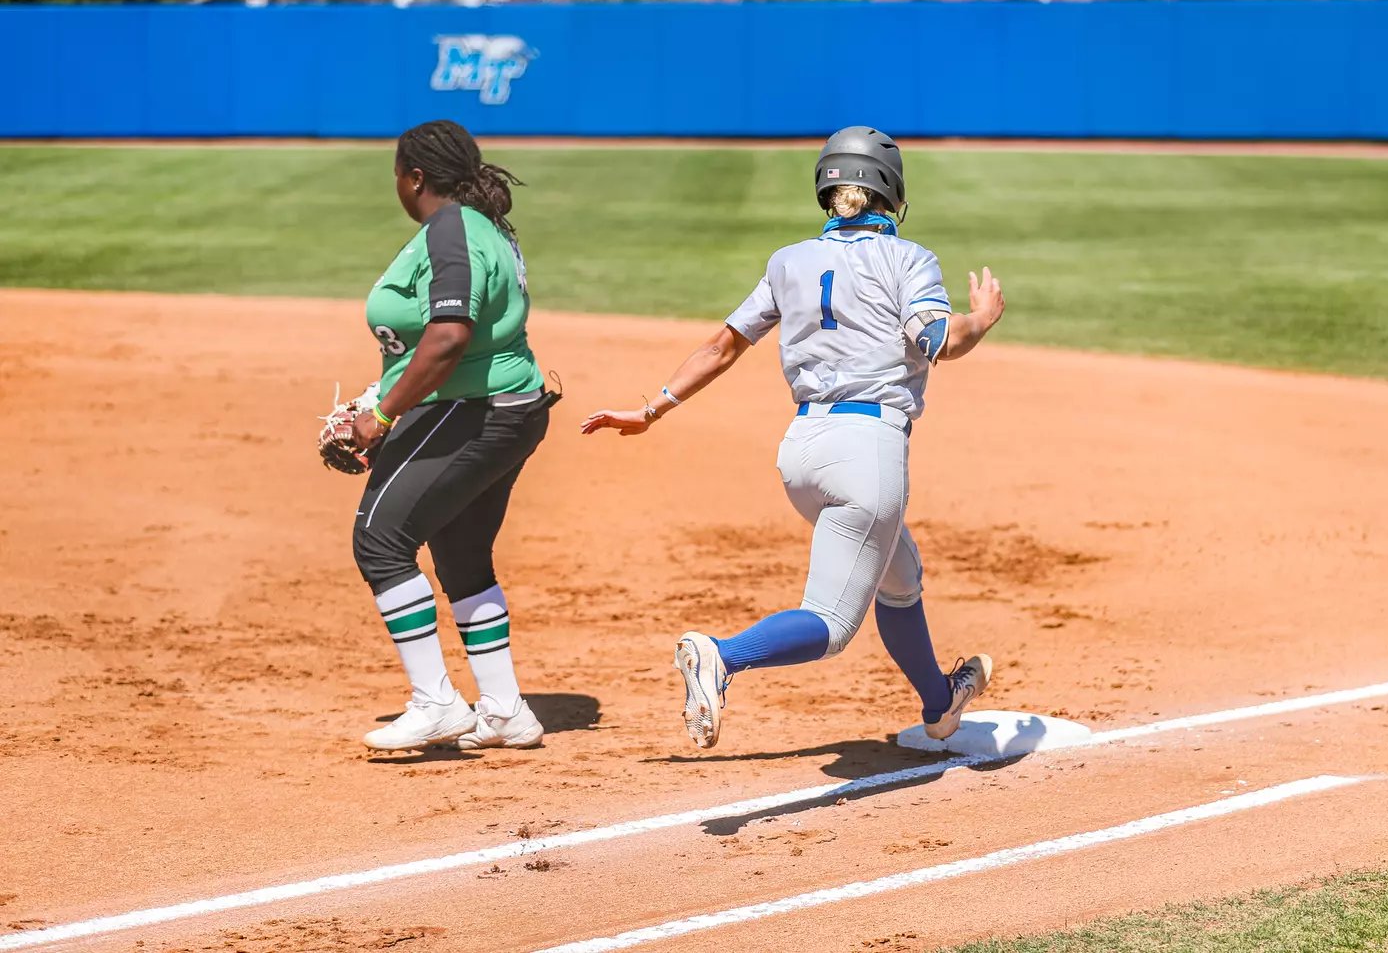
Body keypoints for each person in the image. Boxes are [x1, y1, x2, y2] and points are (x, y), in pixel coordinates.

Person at [581, 126, 1005, 749]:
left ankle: (941, 703)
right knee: (831, 623)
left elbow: (721, 346)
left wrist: (652, 410)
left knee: (899, 577)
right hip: (868, 451)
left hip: (802, 454)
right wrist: (983, 319)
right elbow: (942, 340)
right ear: (890, 191)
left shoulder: (789, 262)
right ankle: (722, 657)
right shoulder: (907, 258)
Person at [349, 120, 556, 752]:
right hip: (500, 406)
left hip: (478, 409)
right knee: (462, 557)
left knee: (380, 542)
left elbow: (449, 336)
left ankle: (437, 701)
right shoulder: (476, 227)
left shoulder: (451, 229)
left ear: (414, 177)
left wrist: (382, 416)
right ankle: (505, 710)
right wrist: (381, 398)